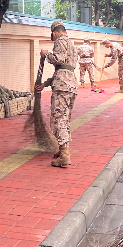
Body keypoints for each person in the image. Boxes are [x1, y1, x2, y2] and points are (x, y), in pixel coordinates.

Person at [35, 21, 78, 167]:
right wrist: (46, 84)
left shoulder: (60, 41)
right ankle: (62, 149)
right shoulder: (72, 45)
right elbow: (64, 68)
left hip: (62, 87)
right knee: (65, 118)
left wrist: (46, 54)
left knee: (58, 119)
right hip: (71, 85)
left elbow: (58, 60)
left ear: (54, 33)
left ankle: (65, 154)